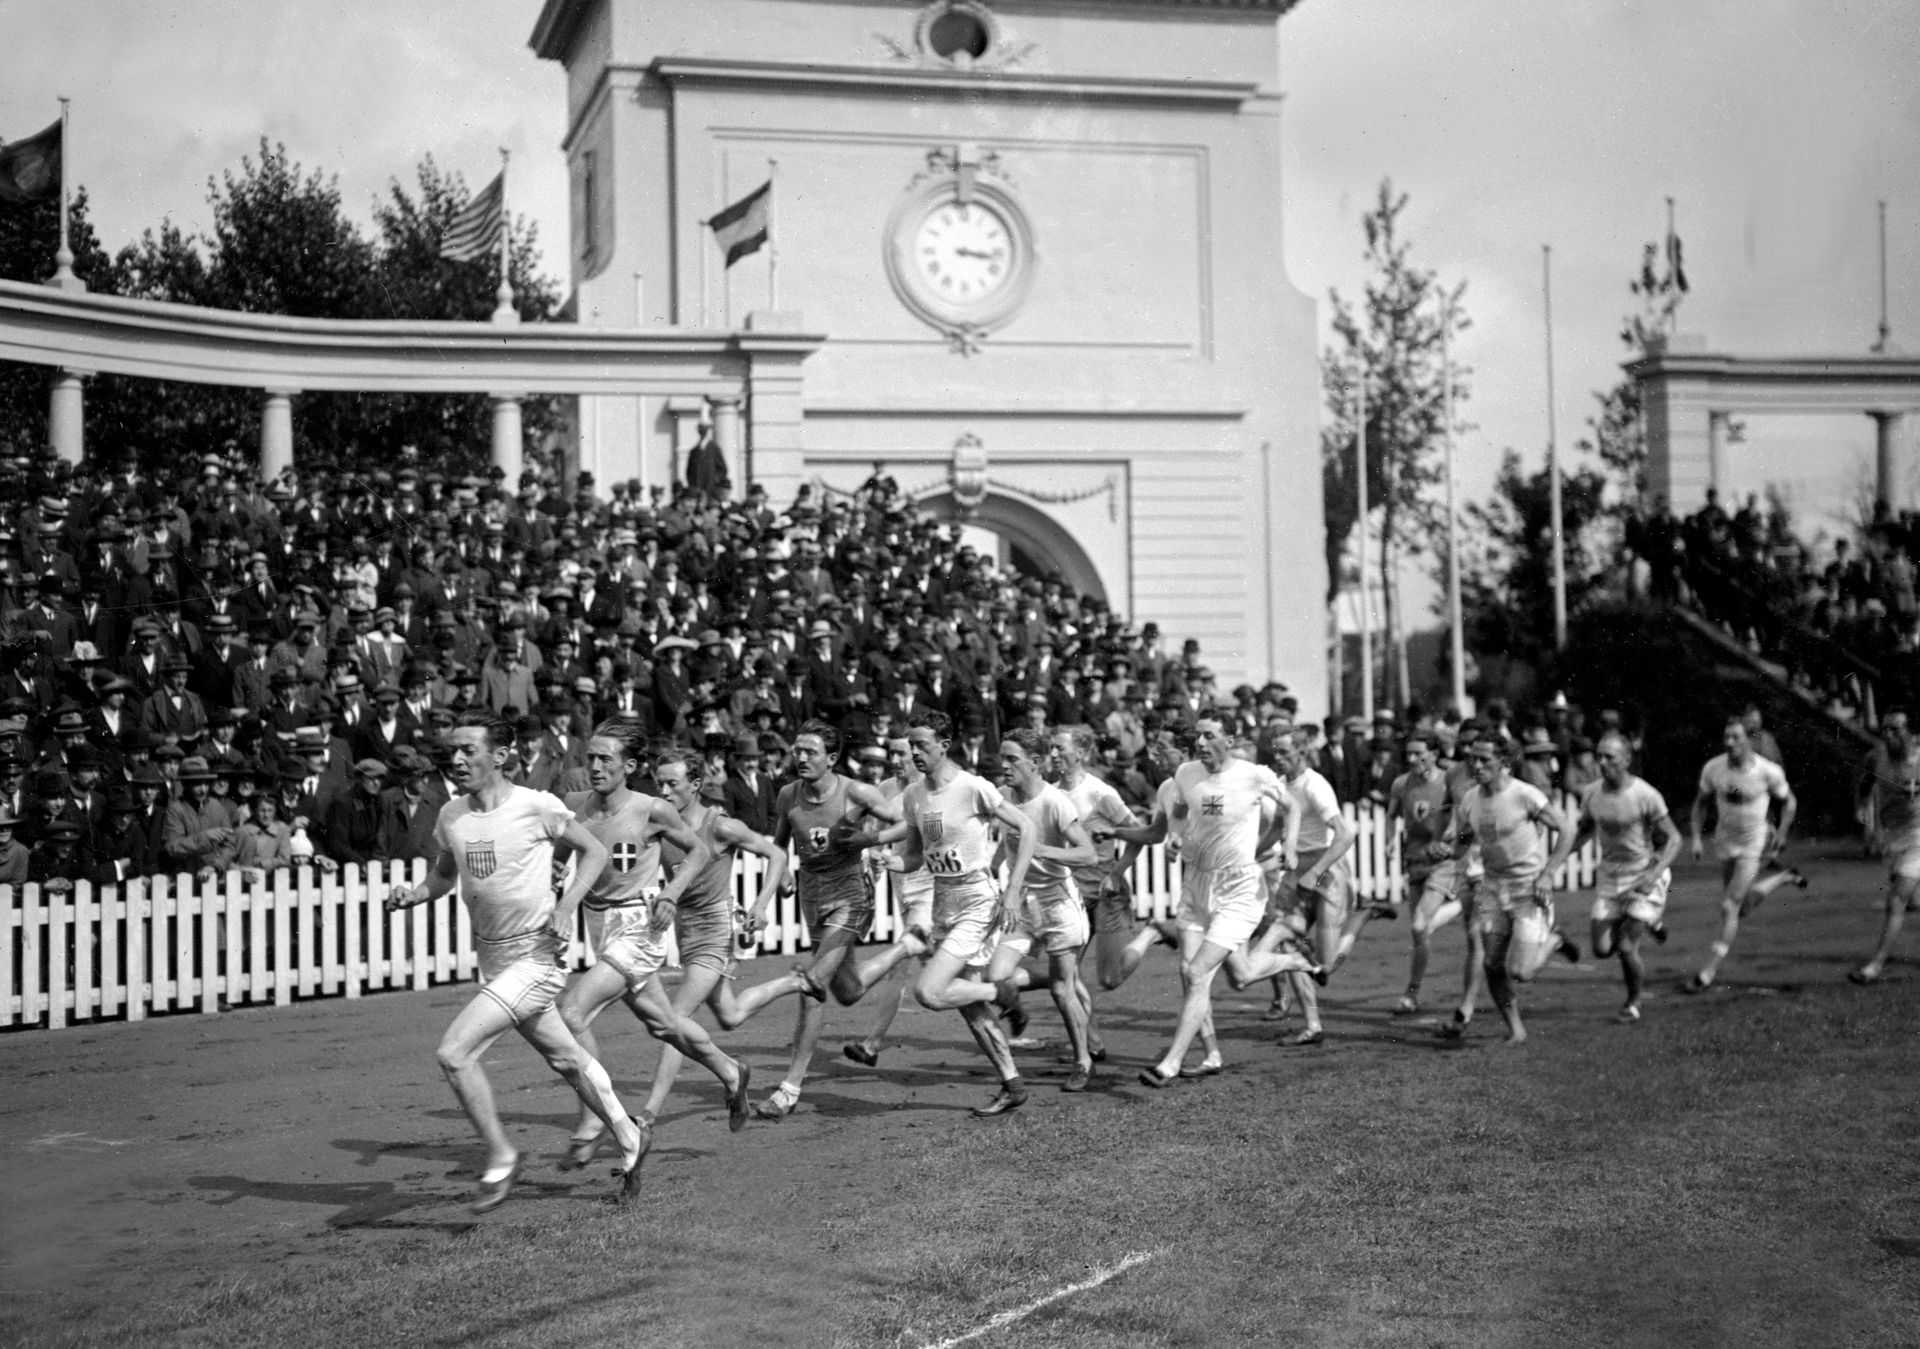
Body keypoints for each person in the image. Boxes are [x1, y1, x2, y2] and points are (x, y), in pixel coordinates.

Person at [382, 711, 650, 1213]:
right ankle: (629, 1135)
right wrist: (413, 894)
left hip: (537, 956)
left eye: (469, 750)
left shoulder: (536, 806)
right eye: (453, 751)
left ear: (501, 756)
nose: (457, 760)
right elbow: (444, 876)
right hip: (495, 960)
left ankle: (502, 1156)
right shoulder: (451, 815)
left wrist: (567, 907)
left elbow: (594, 852)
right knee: (567, 1058)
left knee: (455, 1052)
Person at [552, 722, 756, 1167]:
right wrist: (554, 880)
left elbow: (698, 853)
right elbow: (565, 855)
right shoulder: (574, 806)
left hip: (639, 926)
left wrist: (671, 893)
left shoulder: (651, 809)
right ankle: (730, 1070)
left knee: (572, 1012)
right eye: (591, 757)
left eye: (607, 758)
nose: (596, 766)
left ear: (629, 766)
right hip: (599, 923)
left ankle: (592, 1117)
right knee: (663, 1024)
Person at [638, 743, 822, 1123]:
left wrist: (760, 904)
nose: (664, 792)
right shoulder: (660, 823)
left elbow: (777, 855)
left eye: (672, 784)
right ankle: (794, 981)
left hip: (716, 929)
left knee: (675, 1019)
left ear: (696, 784)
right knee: (730, 1015)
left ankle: (649, 1113)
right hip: (685, 928)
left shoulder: (719, 825)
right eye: (660, 784)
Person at [1138, 716, 1323, 1087]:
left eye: (1210, 735)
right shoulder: (1186, 774)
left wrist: (1287, 843)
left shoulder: (1253, 774)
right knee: (1238, 976)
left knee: (1195, 973)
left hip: (1239, 890)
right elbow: (1178, 814)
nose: (1202, 742)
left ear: (1229, 738)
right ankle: (1296, 960)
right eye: (1198, 736)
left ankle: (1170, 1064)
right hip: (1196, 887)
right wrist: (1176, 839)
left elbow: (1293, 808)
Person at [881, 710, 1039, 1116]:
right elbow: (915, 856)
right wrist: (887, 862)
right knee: (966, 1004)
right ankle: (1012, 1083)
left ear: (945, 746)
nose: (914, 752)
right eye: (910, 745)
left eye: (922, 745)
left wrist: (1014, 891)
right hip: (942, 902)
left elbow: (1027, 827)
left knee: (930, 992)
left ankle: (1002, 992)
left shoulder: (973, 787)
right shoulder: (915, 795)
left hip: (977, 900)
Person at [755, 719, 905, 1119]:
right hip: (812, 897)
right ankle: (905, 949)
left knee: (813, 986)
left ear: (832, 758)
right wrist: (776, 883)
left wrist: (870, 842)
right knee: (849, 990)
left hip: (852, 895)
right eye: (797, 750)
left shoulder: (856, 791)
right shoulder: (788, 794)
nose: (800, 757)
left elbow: (905, 824)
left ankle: (788, 1090)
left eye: (810, 752)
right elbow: (778, 849)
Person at [983, 728, 1100, 1091]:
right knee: (996, 976)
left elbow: (1088, 854)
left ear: (1035, 763)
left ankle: (1082, 1060)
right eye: (1001, 758)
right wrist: (994, 869)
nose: (1004, 765)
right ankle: (1018, 1008)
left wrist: (1042, 850)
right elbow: (1008, 843)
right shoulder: (1002, 797)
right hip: (1023, 902)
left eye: (1012, 759)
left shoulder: (1055, 802)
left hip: (1059, 902)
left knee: (1063, 990)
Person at [1446, 737, 1580, 1045]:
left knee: (1522, 971)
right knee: (1492, 963)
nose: (1476, 766)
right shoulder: (1469, 800)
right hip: (1493, 888)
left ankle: (1555, 939)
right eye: (1472, 760)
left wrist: (1547, 874)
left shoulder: (1524, 795)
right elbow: (1463, 841)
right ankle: (1516, 1029)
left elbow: (1568, 830)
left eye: (1484, 760)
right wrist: (1447, 850)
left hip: (1528, 889)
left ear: (1503, 762)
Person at [1686, 715, 1803, 993]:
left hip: (1754, 843)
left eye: (1736, 738)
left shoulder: (1767, 771)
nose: (1730, 743)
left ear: (1749, 740)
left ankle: (1707, 971)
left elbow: (1789, 802)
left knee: (1729, 907)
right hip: (1726, 842)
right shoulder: (1714, 768)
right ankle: (1785, 877)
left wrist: (1783, 831)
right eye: (1726, 738)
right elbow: (1700, 803)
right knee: (1741, 908)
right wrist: (1695, 838)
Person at [1574, 733, 1681, 1022]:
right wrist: (1554, 862)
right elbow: (1584, 829)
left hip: (1644, 876)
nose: (1602, 762)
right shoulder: (1592, 793)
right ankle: (1649, 921)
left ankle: (1633, 1003)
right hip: (1611, 879)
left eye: (1609, 757)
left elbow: (1674, 838)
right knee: (1601, 949)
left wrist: (1653, 874)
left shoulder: (1645, 794)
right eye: (1599, 756)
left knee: (1625, 947)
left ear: (1626, 760)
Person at [844, 732, 935, 1068]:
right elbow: (872, 830)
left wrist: (875, 843)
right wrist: (871, 857)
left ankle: (872, 1043)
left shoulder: (929, 789)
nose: (895, 762)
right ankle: (1003, 994)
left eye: (902, 755)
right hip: (903, 886)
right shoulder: (884, 790)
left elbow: (912, 833)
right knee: (955, 976)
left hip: (930, 885)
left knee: (902, 958)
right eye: (892, 755)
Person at [1049, 724, 1138, 1061]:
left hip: (1106, 887)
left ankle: (1154, 934)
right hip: (1070, 890)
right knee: (1066, 971)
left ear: (1083, 753)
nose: (1054, 754)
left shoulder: (1101, 793)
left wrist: (1117, 872)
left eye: (1060, 748)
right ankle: (1091, 1042)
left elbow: (1137, 835)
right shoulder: (1051, 792)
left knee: (1109, 978)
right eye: (1051, 748)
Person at [1265, 727, 1357, 1046]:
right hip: (1297, 868)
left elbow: (1345, 835)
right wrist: (1249, 856)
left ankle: (1363, 918)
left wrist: (1314, 872)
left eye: (1283, 753)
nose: (1277, 759)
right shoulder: (1279, 785)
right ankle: (1312, 1025)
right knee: (1288, 942)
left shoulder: (1315, 785)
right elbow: (1277, 829)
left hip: (1325, 867)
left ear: (1301, 752)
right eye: (1274, 752)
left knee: (1326, 965)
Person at [1378, 732, 1454, 1016]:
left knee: (1421, 925)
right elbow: (1390, 816)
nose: (1411, 760)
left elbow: (1464, 814)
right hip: (1416, 862)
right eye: (1408, 754)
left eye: (1418, 754)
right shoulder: (1401, 784)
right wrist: (1388, 840)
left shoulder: (1449, 781)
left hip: (1444, 862)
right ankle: (1413, 993)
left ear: (1434, 754)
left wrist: (1449, 840)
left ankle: (1459, 904)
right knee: (1419, 934)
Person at [1850, 709, 1920, 985]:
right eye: (1885, 730)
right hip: (1892, 837)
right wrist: (1860, 810)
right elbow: (1864, 786)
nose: (1889, 735)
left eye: (1896, 729)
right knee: (1907, 896)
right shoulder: (1876, 757)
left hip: (1919, 836)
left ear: (1911, 733)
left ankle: (1875, 966)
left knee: (1896, 901)